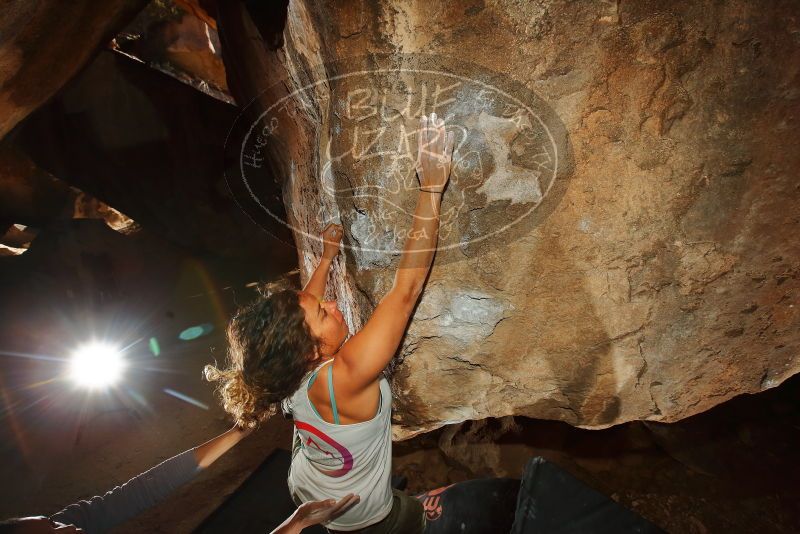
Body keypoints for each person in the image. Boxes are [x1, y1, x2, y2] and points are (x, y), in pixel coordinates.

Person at [206, 112, 454, 532]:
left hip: (310, 485)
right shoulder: (349, 374)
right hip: (363, 519)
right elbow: (405, 290)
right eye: (325, 313)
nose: (333, 303)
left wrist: (325, 259)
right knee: (406, 517)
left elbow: (307, 303)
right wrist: (431, 186)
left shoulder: (281, 373)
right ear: (311, 351)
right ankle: (413, 512)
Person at [0, 425, 359, 533]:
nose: (66, 527)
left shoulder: (72, 525)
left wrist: (240, 430)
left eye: (51, 522)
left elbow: (144, 489)